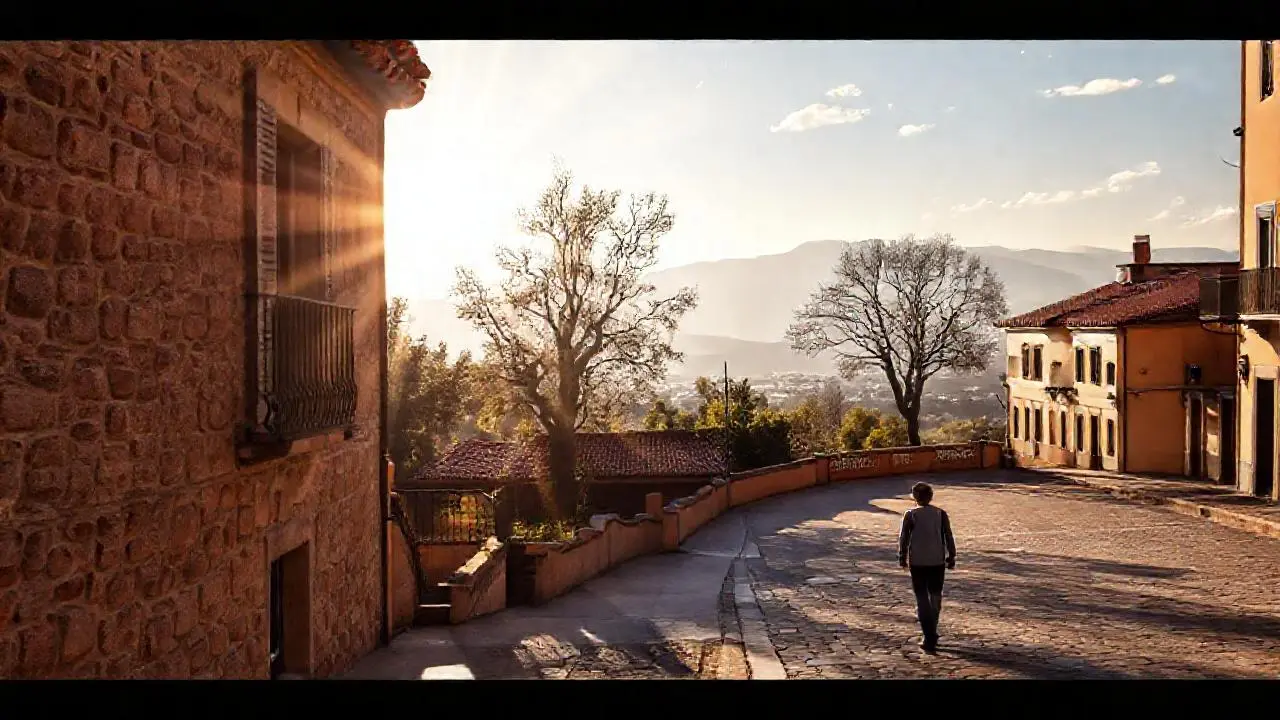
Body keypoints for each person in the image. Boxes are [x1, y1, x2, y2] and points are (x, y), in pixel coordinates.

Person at [897, 482, 956, 654]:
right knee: (935, 597)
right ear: (931, 496)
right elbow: (948, 535)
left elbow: (904, 538)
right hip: (937, 561)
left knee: (922, 599)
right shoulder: (940, 514)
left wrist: (902, 556)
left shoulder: (911, 515)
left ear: (914, 497)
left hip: (918, 561)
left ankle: (928, 634)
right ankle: (933, 630)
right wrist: (951, 555)